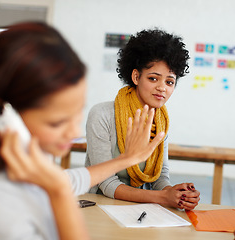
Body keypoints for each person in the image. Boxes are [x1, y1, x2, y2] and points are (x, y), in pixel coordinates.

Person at [0, 22, 165, 240]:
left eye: (77, 114)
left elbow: (66, 179)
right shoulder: (5, 207)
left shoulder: (26, 161)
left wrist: (126, 159)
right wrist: (59, 194)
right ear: (8, 121)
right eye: (56, 123)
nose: (74, 132)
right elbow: (59, 184)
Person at [85, 29, 200, 210]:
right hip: (100, 207)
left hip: (143, 210)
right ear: (136, 77)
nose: (162, 88)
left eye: (169, 82)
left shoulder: (161, 120)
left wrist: (175, 193)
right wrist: (163, 197)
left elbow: (160, 176)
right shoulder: (102, 115)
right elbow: (105, 183)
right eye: (154, 78)